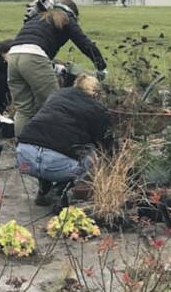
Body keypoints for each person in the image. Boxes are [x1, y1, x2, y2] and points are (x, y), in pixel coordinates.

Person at [7, 0, 107, 135]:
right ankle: (52, 145)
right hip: (34, 55)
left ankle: (23, 148)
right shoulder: (66, 17)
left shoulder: (39, 17)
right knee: (55, 103)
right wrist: (101, 67)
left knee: (24, 109)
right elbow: (84, 43)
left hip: (13, 56)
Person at [15, 73, 113, 206]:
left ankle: (44, 189)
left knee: (47, 144)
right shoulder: (98, 109)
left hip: (24, 158)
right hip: (57, 165)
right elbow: (105, 144)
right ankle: (60, 190)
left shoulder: (56, 95)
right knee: (93, 156)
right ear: (96, 93)